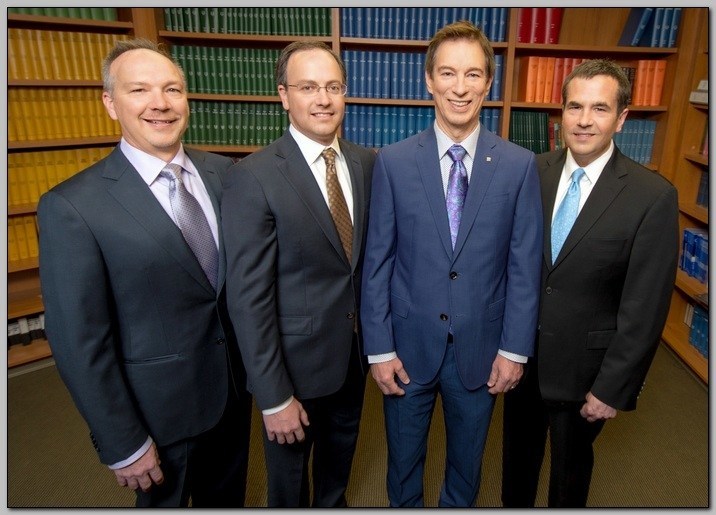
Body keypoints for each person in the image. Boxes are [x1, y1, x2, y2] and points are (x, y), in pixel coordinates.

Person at [37, 38, 252, 507]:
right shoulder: (72, 206)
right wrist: (122, 442)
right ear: (111, 103)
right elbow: (78, 341)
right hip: (156, 418)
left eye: (172, 89)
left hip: (234, 397)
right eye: (140, 91)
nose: (160, 103)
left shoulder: (226, 175)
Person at [360, 21, 543, 507]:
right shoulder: (394, 162)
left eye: (472, 75)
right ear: (428, 80)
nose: (459, 88)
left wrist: (515, 350)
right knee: (402, 468)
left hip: (482, 352)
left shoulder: (519, 165)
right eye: (447, 73)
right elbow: (377, 261)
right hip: (405, 350)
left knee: (466, 469)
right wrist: (378, 349)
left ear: (488, 82)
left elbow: (524, 267)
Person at [501, 59, 679, 508]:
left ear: (621, 118)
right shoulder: (530, 172)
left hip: (588, 375)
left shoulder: (651, 196)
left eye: (599, 109)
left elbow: (645, 307)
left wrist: (612, 387)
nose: (583, 120)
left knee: (570, 480)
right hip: (520, 362)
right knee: (515, 471)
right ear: (560, 113)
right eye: (574, 107)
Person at [221, 41, 375, 507]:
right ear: (284, 95)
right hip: (291, 373)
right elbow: (248, 298)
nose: (323, 99)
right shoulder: (254, 175)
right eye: (308, 87)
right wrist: (272, 396)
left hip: (352, 359)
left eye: (333, 86)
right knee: (288, 488)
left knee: (337, 476)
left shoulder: (367, 163)